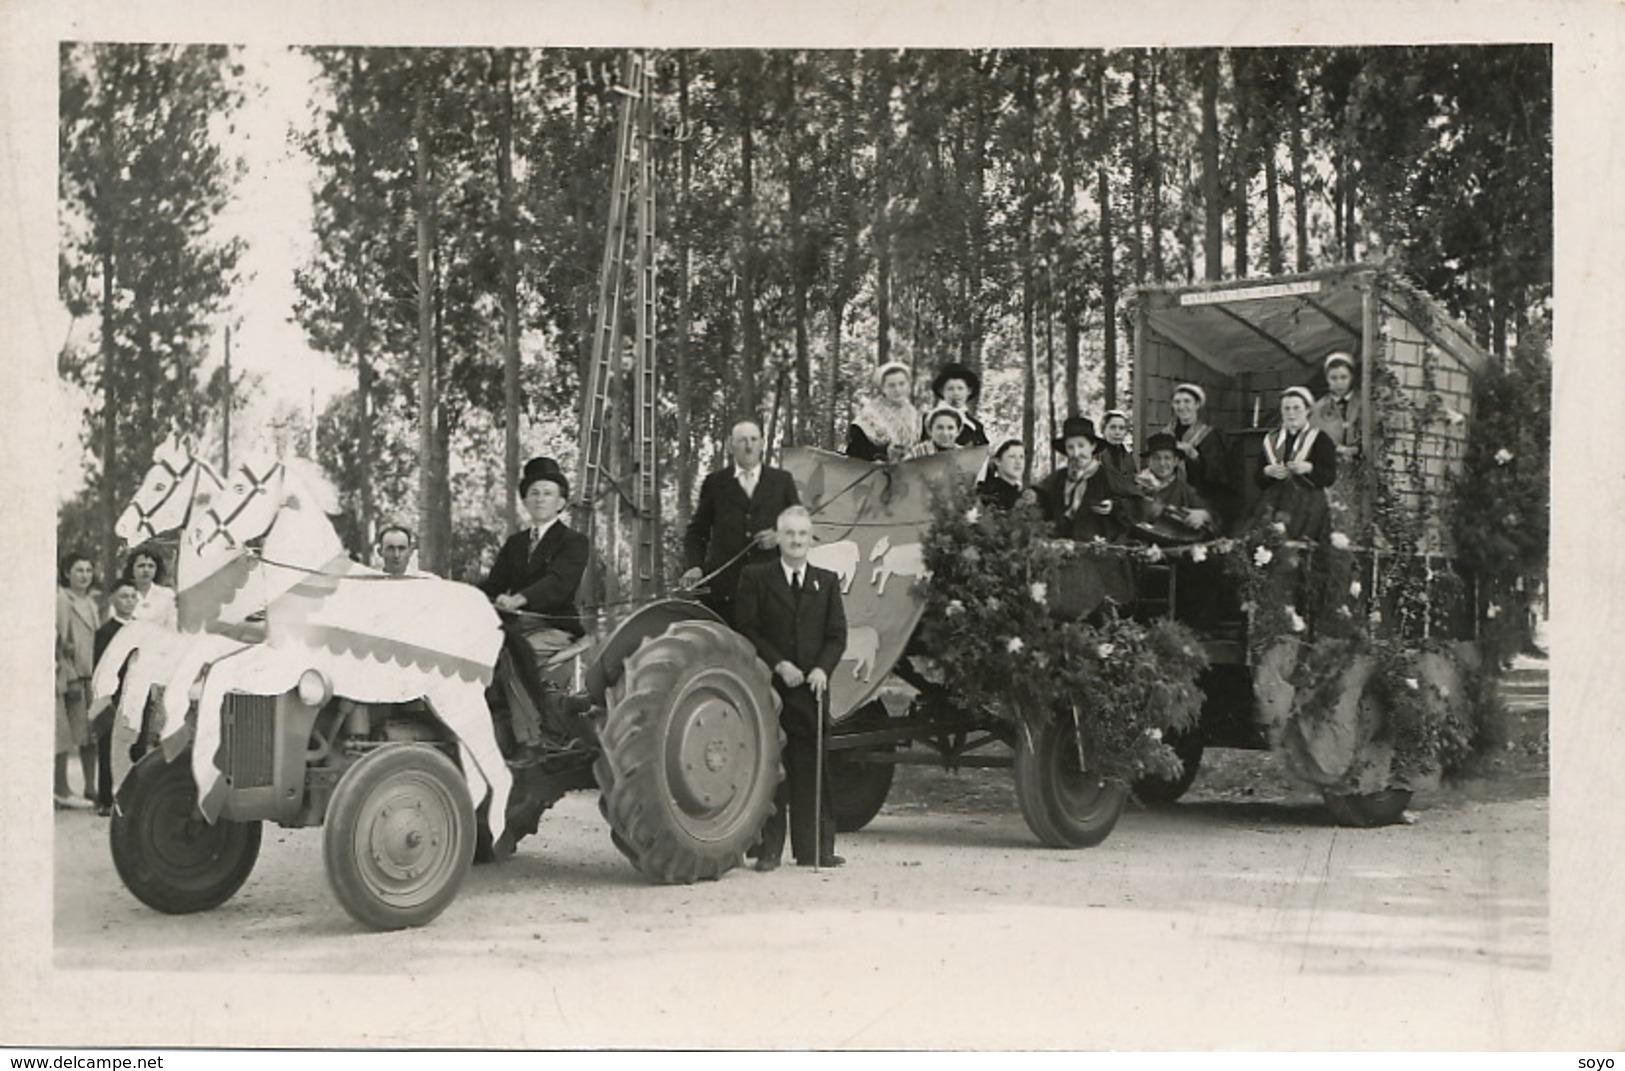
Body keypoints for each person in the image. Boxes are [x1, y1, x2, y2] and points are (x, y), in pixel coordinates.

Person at [733, 506, 848, 870]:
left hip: (811, 689)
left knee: (812, 764)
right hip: (773, 686)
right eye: (790, 534)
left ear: (810, 539)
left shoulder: (826, 581)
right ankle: (768, 849)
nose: (797, 541)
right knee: (773, 767)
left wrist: (821, 670)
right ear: (778, 538)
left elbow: (836, 635)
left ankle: (816, 849)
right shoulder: (756, 577)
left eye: (803, 534)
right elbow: (747, 627)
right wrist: (779, 663)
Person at [681, 420, 800, 624]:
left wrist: (779, 537)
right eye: (742, 440)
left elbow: (801, 529)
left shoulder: (782, 481)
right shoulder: (715, 483)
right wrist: (695, 566)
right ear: (730, 445)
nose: (748, 446)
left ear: (762, 443)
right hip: (724, 594)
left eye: (754, 439)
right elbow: (696, 532)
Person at [1033, 415, 1145, 543]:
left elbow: (1138, 503)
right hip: (1062, 551)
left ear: (1092, 446)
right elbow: (1040, 496)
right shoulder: (1059, 477)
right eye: (1070, 447)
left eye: (1081, 446)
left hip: (1098, 553)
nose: (1076, 453)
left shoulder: (1107, 476)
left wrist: (1115, 506)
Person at [1252, 386, 1338, 542]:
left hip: (1308, 506)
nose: (1291, 413)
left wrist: (1309, 468)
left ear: (1307, 410)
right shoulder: (1271, 439)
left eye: (1297, 408)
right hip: (1275, 502)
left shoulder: (1320, 438)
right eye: (1286, 408)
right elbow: (1258, 479)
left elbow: (1329, 476)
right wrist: (1267, 471)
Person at [55, 551, 100, 809]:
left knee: (90, 735)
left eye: (88, 571)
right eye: (79, 570)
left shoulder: (91, 603)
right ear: (67, 573)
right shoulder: (63, 600)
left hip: (91, 674)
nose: (84, 575)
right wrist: (68, 673)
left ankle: (90, 786)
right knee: (64, 733)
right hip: (72, 675)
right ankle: (60, 789)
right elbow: (60, 643)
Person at [91, 579, 140, 816]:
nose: (129, 601)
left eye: (132, 596)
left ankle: (131, 798)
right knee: (107, 744)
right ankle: (106, 799)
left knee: (134, 745)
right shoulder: (105, 632)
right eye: (123, 596)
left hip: (136, 693)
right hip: (113, 694)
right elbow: (102, 665)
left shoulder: (141, 629)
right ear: (113, 599)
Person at [1161, 383, 1236, 532]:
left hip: (1200, 502)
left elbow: (1218, 479)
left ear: (1197, 405)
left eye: (1187, 401)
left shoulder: (1210, 436)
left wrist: (1195, 458)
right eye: (1177, 402)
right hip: (1169, 501)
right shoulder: (1165, 435)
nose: (1182, 407)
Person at [1130, 433, 1216, 538]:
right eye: (1157, 458)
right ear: (1149, 461)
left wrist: (1203, 515)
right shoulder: (1135, 486)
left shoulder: (1185, 490)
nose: (1162, 463)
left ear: (1175, 461)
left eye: (1167, 458)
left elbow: (1212, 513)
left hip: (1174, 545)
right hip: (1139, 544)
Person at [846, 361, 920, 462]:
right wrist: (884, 451)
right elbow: (855, 453)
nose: (897, 389)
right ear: (883, 388)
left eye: (902, 384)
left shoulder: (914, 414)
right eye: (891, 385)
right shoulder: (870, 413)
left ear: (908, 385)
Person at [1309, 351, 1362, 462]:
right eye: (1334, 378)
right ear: (1327, 379)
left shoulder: (1363, 403)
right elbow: (1314, 439)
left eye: (1344, 377)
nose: (1339, 383)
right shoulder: (1318, 408)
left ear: (1351, 377)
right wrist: (1336, 449)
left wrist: (1356, 449)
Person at [921, 362, 990, 447]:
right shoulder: (927, 419)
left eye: (960, 388)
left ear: (969, 391)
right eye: (950, 389)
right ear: (941, 391)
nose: (956, 393)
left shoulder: (975, 426)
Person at [122, 543, 176, 630]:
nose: (146, 570)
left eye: (151, 566)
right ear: (132, 569)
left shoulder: (167, 595)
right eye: (141, 566)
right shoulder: (122, 595)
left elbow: (172, 627)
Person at [978, 438, 1034, 511]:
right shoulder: (989, 494)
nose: (1018, 462)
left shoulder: (1022, 495)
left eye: (1021, 457)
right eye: (1012, 457)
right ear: (998, 461)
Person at [1098, 409, 1135, 477]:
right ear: (1103, 430)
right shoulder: (1097, 455)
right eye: (1113, 427)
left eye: (1121, 428)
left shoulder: (1128, 456)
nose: (1117, 432)